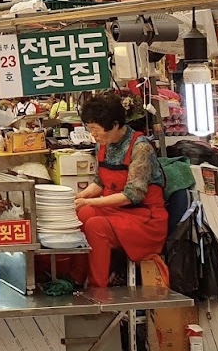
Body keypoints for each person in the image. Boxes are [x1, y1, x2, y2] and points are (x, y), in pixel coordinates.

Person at [72, 94, 168, 289]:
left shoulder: (140, 148)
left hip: (144, 217)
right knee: (80, 215)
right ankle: (76, 279)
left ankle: (97, 288)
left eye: (96, 130)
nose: (94, 136)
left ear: (115, 125)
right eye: (90, 130)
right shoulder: (103, 144)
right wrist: (79, 197)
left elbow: (132, 195)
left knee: (95, 226)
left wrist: (91, 202)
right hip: (115, 210)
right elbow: (100, 182)